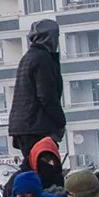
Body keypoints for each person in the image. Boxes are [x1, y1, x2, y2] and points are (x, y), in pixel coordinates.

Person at [8, 19, 66, 162]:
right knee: (43, 170)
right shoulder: (42, 59)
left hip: (25, 127)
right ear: (50, 37)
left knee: (32, 166)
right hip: (36, 127)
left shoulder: (29, 57)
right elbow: (46, 95)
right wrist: (60, 121)